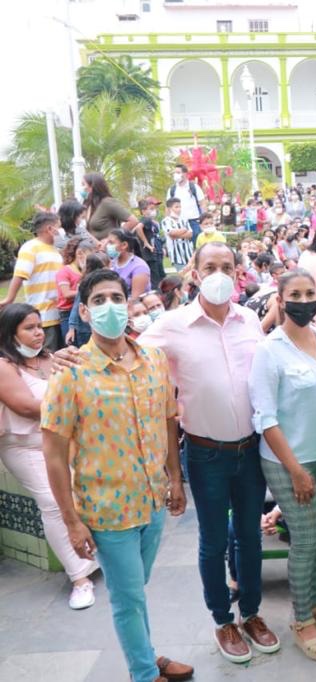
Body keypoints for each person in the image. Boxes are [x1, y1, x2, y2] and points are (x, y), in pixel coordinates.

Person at [41, 270, 193, 682]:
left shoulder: (153, 360)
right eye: (99, 300)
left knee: (135, 588)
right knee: (127, 597)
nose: (109, 306)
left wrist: (175, 479)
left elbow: (168, 420)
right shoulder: (70, 372)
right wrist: (72, 521)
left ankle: (147, 655)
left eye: (116, 298)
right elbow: (53, 454)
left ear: (128, 305)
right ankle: (144, 673)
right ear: (84, 312)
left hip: (152, 500)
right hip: (107, 511)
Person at [139, 242, 279, 663]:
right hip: (205, 454)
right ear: (196, 273)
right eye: (210, 266)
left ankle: (251, 612)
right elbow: (130, 354)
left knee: (250, 537)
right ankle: (223, 619)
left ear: (237, 272)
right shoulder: (172, 325)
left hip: (250, 450)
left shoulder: (248, 319)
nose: (219, 273)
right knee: (214, 540)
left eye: (227, 266)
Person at [247, 270, 316, 661]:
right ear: (281, 299)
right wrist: (295, 470)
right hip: (289, 460)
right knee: (304, 540)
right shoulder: (270, 350)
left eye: (310, 294)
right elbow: (266, 418)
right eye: (296, 294)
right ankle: (302, 619)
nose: (304, 301)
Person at [0, 304, 99, 610]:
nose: (38, 333)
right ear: (10, 333)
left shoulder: (49, 359)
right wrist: (77, 403)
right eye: (29, 328)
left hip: (61, 443)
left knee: (80, 495)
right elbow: (26, 407)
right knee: (53, 502)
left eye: (39, 326)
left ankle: (94, 557)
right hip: (24, 446)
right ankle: (79, 578)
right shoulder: (4, 366)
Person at [1, 212, 64, 350]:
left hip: (60, 313)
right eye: (59, 226)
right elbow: (20, 274)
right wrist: (10, 298)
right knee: (48, 354)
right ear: (50, 229)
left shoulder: (56, 250)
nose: (61, 231)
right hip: (43, 315)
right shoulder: (30, 248)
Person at [82, 173, 140, 241]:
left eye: (83, 184)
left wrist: (111, 239)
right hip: (95, 246)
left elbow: (133, 221)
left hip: (109, 247)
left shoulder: (108, 202)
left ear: (92, 186)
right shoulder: (91, 205)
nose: (82, 188)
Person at [108, 229, 152, 299]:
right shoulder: (112, 263)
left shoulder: (139, 267)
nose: (107, 246)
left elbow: (136, 299)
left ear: (124, 245)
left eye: (111, 243)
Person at [167, 163, 206, 241]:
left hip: (193, 222)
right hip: (177, 223)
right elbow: (168, 207)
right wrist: (168, 222)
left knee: (195, 245)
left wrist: (204, 221)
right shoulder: (172, 190)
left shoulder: (194, 187)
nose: (175, 174)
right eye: (175, 172)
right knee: (180, 245)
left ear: (185, 174)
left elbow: (202, 204)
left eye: (178, 172)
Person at [162, 197, 195, 273]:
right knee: (182, 275)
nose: (179, 209)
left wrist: (176, 235)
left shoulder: (184, 219)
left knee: (191, 274)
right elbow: (171, 233)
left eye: (180, 207)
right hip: (177, 256)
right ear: (169, 209)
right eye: (176, 207)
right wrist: (184, 230)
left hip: (188, 253)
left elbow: (190, 234)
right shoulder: (166, 221)